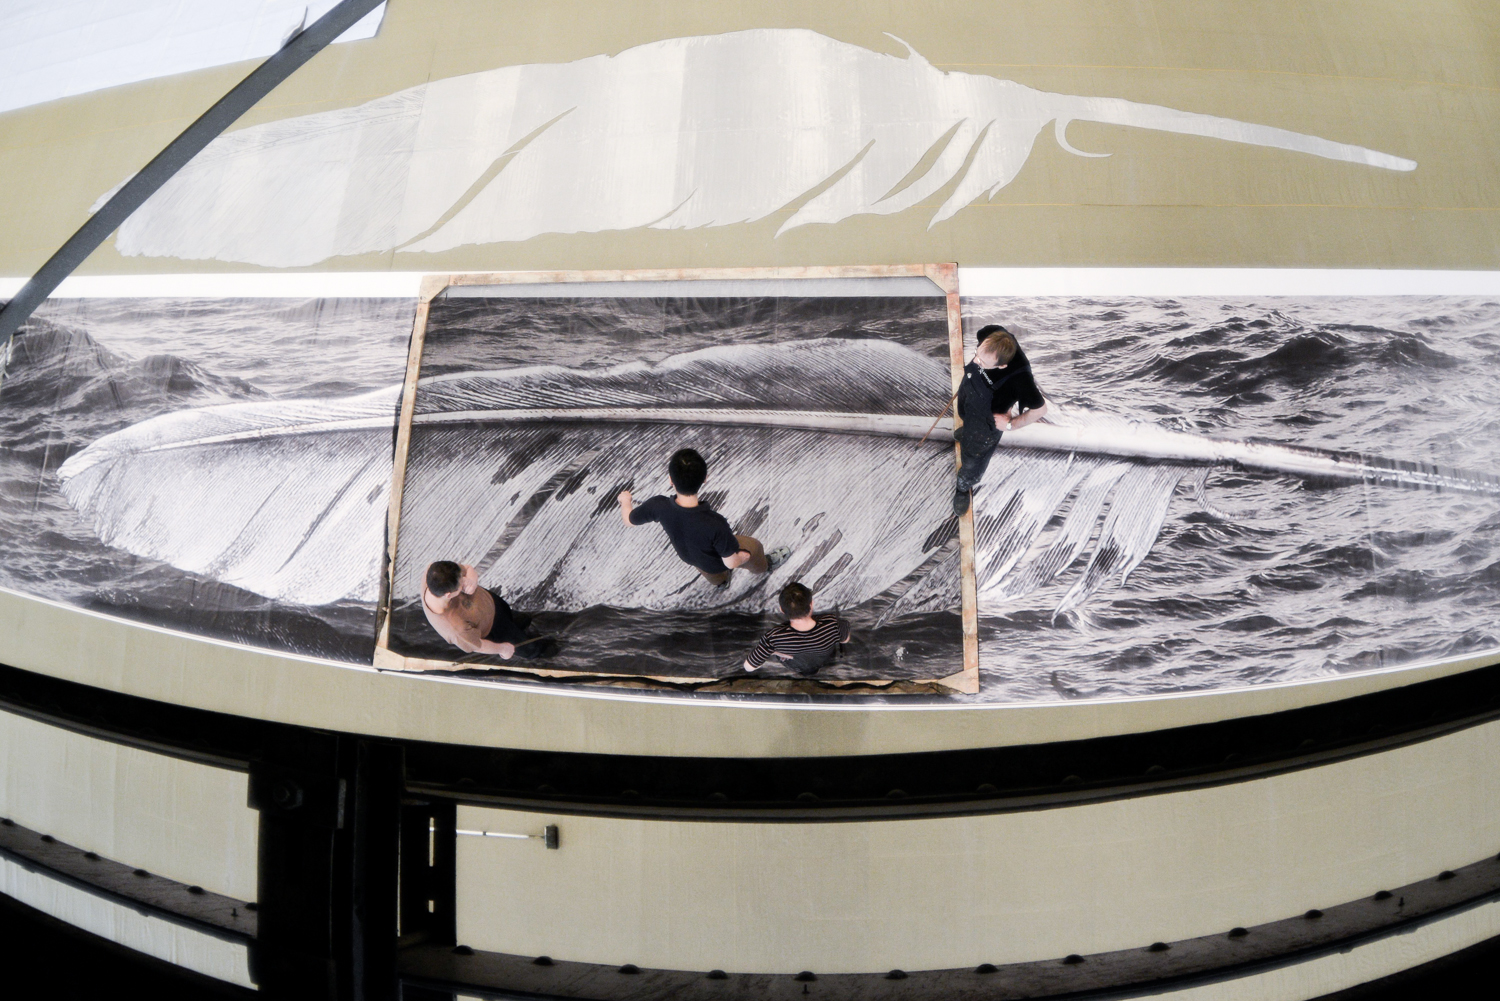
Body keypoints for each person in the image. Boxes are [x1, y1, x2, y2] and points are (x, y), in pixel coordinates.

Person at [618, 447, 788, 587]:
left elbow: (628, 520)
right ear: (705, 479)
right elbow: (731, 562)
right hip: (719, 560)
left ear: (670, 480)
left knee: (710, 571)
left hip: (692, 559)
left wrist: (625, 501)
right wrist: (744, 557)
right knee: (755, 547)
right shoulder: (715, 523)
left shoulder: (657, 505)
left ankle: (721, 583)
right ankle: (764, 566)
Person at [953, 324, 1048, 515]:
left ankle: (963, 487)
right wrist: (978, 362)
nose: (975, 361)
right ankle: (966, 430)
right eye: (976, 355)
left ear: (1002, 366)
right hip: (970, 392)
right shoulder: (992, 332)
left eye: (983, 362)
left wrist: (1011, 424)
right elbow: (980, 352)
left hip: (987, 421)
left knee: (972, 460)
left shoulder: (1021, 379)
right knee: (962, 413)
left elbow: (1040, 410)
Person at [421, 560, 540, 659]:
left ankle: (518, 624)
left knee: (517, 619)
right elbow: (479, 645)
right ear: (449, 595)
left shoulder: (437, 572)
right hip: (494, 629)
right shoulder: (456, 629)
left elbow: (467, 568)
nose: (464, 581)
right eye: (461, 585)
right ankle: (536, 651)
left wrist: (472, 580)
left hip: (492, 602)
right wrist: (503, 648)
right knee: (530, 649)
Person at [743, 582, 851, 676]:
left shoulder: (773, 638)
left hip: (794, 665)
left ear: (782, 610)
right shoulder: (831, 622)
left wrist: (773, 652)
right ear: (811, 604)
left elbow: (748, 667)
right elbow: (845, 640)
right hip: (824, 660)